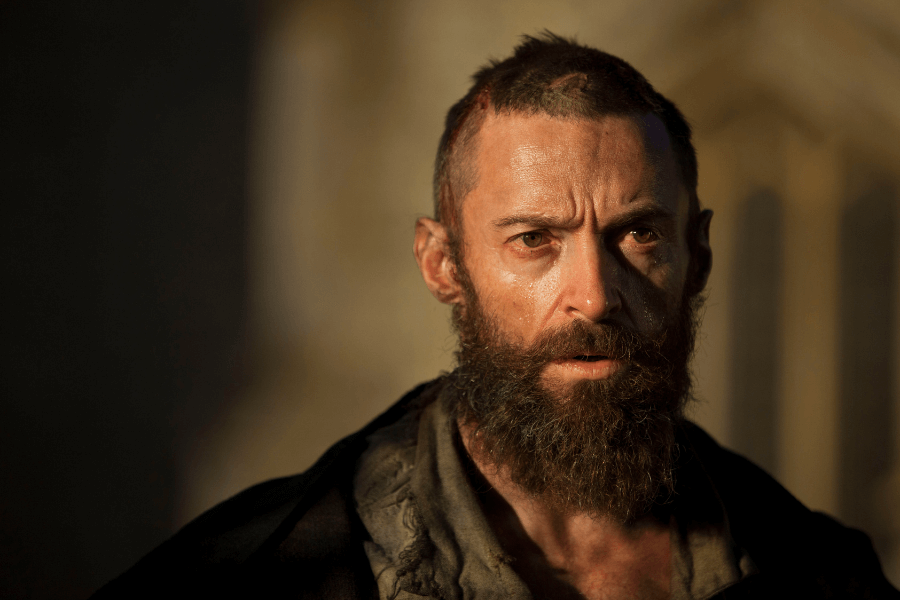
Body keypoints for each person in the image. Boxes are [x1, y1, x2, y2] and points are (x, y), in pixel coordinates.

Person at [92, 33, 898, 599]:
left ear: (699, 257)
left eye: (638, 234)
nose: (593, 293)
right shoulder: (252, 580)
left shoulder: (822, 575)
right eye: (535, 240)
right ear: (444, 265)